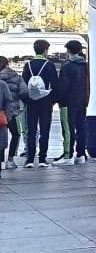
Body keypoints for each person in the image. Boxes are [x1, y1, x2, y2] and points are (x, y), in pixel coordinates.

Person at [21, 39, 58, 168]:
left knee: (31, 130)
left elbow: (24, 83)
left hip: (31, 101)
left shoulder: (28, 64)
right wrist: (53, 100)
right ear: (45, 50)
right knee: (44, 129)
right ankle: (42, 158)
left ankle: (30, 159)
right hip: (46, 100)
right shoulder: (49, 65)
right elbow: (55, 84)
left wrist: (27, 99)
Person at [57, 40, 90, 164]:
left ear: (68, 51)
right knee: (81, 128)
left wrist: (59, 100)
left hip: (68, 102)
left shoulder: (67, 66)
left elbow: (63, 86)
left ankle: (68, 155)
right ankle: (80, 154)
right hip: (82, 101)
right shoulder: (85, 65)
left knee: (68, 129)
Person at [0, 57, 26, 169]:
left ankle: (1, 160)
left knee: (1, 137)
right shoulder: (16, 77)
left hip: (1, 112)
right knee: (15, 134)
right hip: (12, 111)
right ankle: (10, 160)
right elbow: (24, 92)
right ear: (7, 64)